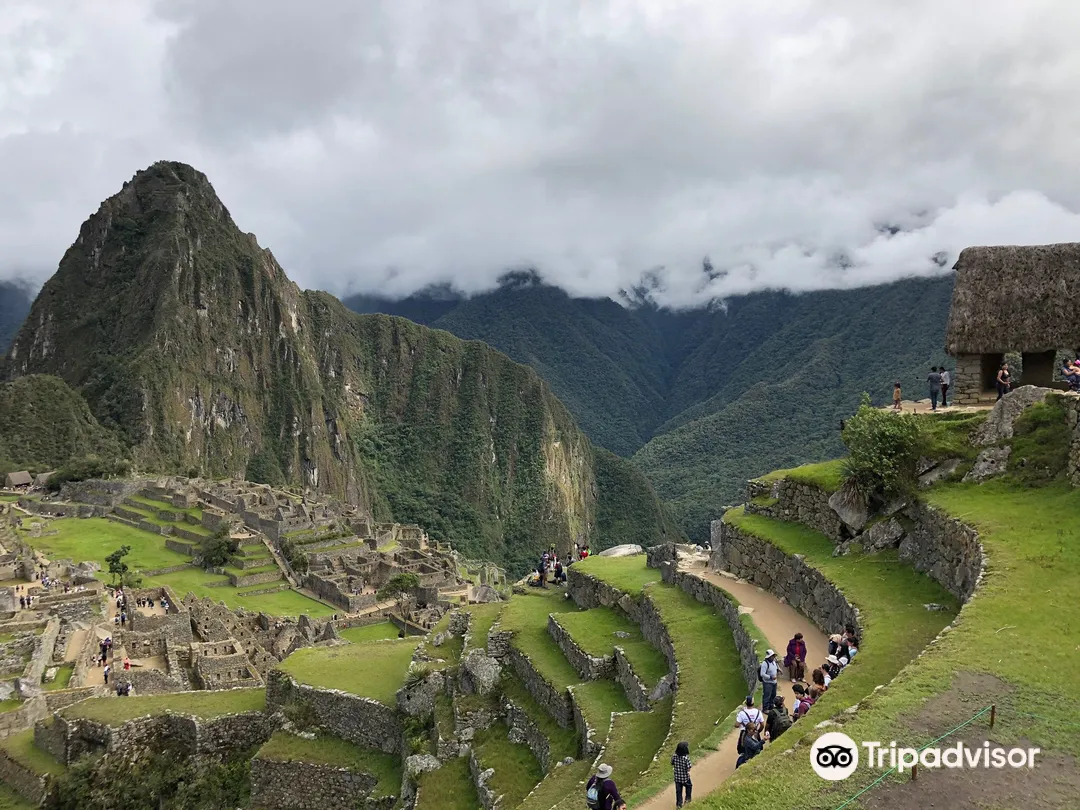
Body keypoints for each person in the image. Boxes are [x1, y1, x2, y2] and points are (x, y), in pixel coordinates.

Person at [671, 740, 692, 808]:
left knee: (678, 791)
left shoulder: (674, 756)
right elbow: (689, 767)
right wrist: (687, 771)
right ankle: (688, 799)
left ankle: (679, 804)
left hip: (677, 778)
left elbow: (672, 763)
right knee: (689, 786)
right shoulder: (686, 758)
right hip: (685, 777)